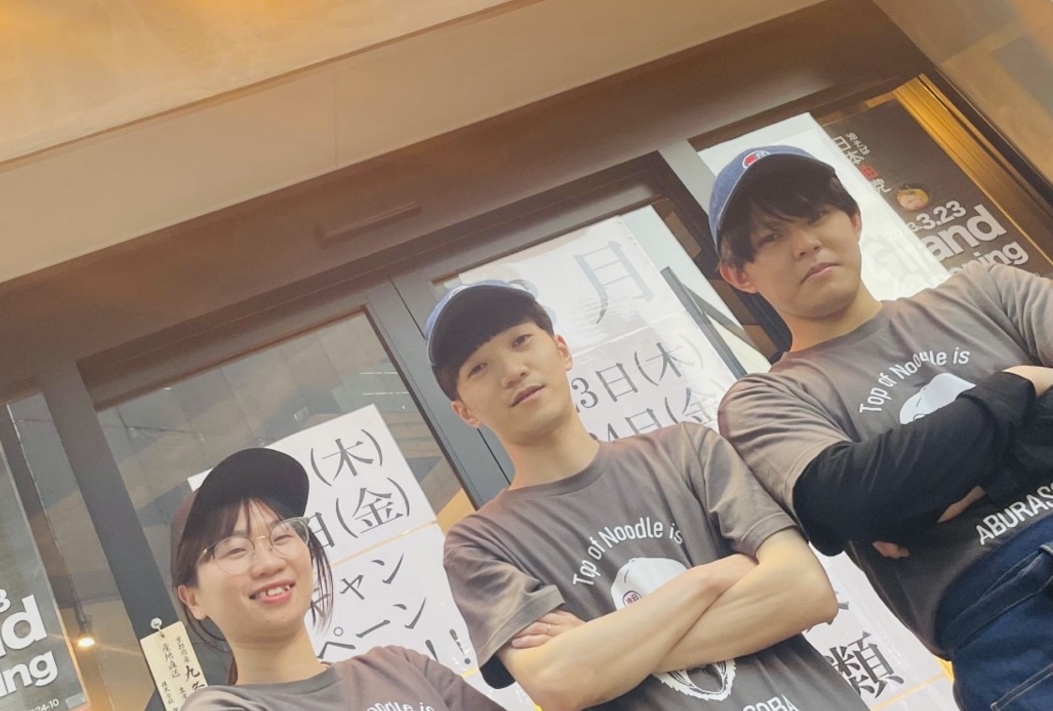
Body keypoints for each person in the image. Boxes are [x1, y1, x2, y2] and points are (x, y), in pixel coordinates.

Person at [710, 145, 1053, 711]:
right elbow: (850, 499)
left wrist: (960, 484)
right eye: (771, 237)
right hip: (1008, 622)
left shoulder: (987, 291)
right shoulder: (765, 400)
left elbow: (887, 494)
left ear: (853, 218)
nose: (805, 243)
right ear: (738, 275)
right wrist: (1021, 383)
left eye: (815, 215)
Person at [425, 281, 865, 711]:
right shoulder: (480, 543)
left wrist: (605, 654)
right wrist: (710, 578)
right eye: (478, 368)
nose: (511, 371)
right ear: (465, 412)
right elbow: (561, 682)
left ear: (561, 350)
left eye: (521, 341)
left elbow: (805, 591)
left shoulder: (686, 450)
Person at [170, 446, 539, 711]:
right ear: (193, 599)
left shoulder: (403, 668)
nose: (268, 562)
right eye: (235, 549)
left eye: (282, 536)